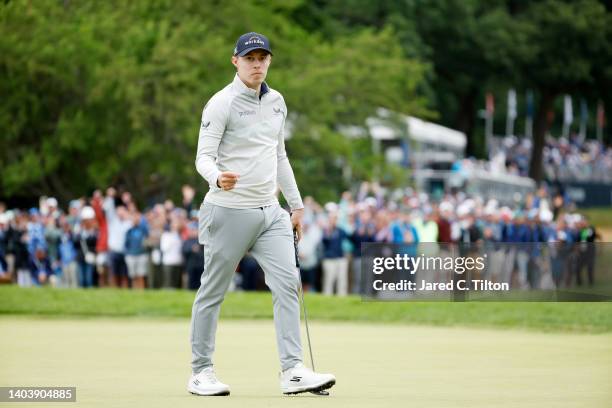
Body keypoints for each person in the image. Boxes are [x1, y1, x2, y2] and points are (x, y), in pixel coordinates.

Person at [188, 32, 335, 396]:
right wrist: (216, 177)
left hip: (271, 213)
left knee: (288, 285)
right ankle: (200, 372)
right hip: (227, 211)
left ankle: (293, 371)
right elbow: (203, 156)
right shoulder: (220, 103)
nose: (257, 64)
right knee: (213, 291)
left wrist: (296, 205)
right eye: (250, 58)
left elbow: (279, 155)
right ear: (235, 61)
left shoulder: (278, 102)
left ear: (269, 61)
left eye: (262, 58)